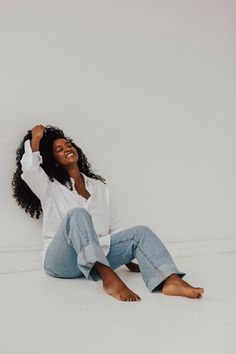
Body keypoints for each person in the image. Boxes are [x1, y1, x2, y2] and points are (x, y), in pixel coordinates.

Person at [11, 124, 204, 302]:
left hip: (97, 257)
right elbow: (29, 169)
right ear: (54, 161)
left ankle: (170, 281)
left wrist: (129, 258)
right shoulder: (50, 188)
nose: (67, 149)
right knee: (77, 214)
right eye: (59, 150)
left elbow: (115, 229)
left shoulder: (98, 188)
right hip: (62, 263)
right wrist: (35, 139)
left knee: (141, 232)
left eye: (68, 145)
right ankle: (109, 278)